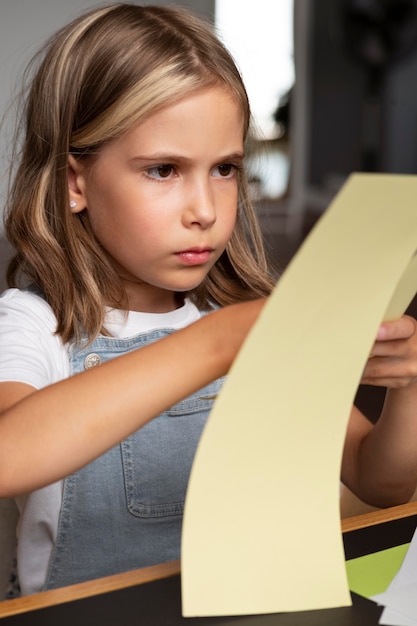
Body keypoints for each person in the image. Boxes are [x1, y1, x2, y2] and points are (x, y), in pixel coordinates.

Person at [0, 2, 417, 599]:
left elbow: (380, 482)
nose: (205, 209)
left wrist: (409, 389)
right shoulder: (35, 325)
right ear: (76, 183)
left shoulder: (239, 318)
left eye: (224, 169)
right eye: (164, 170)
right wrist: (218, 344)